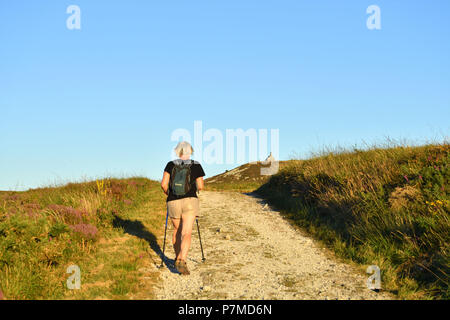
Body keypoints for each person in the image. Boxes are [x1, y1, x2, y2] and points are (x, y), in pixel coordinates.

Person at [161, 141, 205, 275]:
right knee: (186, 232)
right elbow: (201, 186)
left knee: (176, 230)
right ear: (190, 151)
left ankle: (176, 256)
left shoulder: (170, 164)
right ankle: (182, 259)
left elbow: (164, 184)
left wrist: (169, 194)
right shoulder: (196, 165)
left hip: (173, 201)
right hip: (190, 201)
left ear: (178, 152)